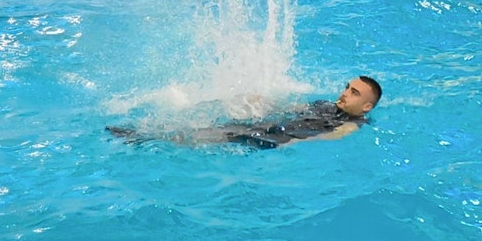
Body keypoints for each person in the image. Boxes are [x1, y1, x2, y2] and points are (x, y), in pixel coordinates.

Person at [107, 76, 383, 150]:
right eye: (347, 87)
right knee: (228, 126)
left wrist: (291, 143)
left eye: (354, 93)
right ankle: (149, 136)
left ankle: (148, 138)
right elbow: (296, 108)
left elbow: (331, 138)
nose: (345, 93)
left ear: (367, 106)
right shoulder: (326, 104)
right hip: (275, 125)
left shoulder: (356, 123)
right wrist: (267, 102)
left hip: (279, 138)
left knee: (222, 137)